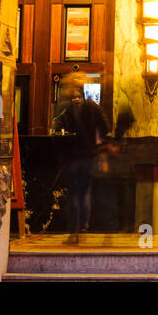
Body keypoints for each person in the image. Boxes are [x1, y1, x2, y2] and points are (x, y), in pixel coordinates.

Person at [53, 90, 110, 244]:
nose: (75, 99)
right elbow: (105, 127)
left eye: (77, 96)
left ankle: (76, 229)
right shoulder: (86, 109)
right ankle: (80, 228)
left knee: (76, 194)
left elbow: (57, 126)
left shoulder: (74, 110)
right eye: (73, 97)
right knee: (82, 193)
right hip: (85, 156)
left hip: (77, 157)